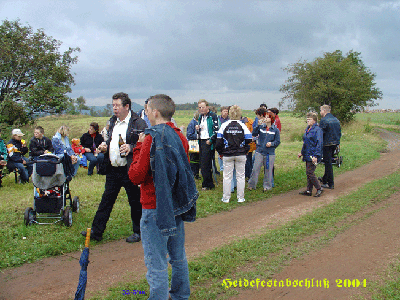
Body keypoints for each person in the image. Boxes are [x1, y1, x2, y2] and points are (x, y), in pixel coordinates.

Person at [128, 94, 198, 300]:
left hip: (154, 206)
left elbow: (135, 175)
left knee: (156, 262)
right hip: (175, 204)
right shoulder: (179, 135)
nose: (146, 113)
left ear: (155, 112)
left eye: (147, 109)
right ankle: (180, 295)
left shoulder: (150, 137)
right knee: (178, 257)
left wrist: (139, 146)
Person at [81, 92, 147, 243]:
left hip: (129, 168)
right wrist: (105, 146)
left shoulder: (138, 123)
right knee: (106, 200)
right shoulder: (112, 121)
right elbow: (110, 140)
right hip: (113, 168)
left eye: (117, 105)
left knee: (135, 201)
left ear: (127, 106)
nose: (114, 108)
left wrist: (131, 147)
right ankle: (96, 232)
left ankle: (139, 232)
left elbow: (144, 143)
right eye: (113, 105)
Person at [216, 105, 252, 203]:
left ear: (229, 113)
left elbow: (218, 142)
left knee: (227, 176)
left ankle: (226, 198)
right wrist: (244, 147)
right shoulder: (243, 125)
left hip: (227, 154)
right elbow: (249, 139)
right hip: (240, 153)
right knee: (240, 176)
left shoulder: (224, 125)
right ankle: (240, 198)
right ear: (239, 114)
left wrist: (221, 152)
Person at [248, 110, 280, 192]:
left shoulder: (275, 130)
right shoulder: (261, 127)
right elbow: (254, 134)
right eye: (265, 117)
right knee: (255, 169)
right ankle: (251, 185)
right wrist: (257, 126)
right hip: (259, 151)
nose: (265, 118)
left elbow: (277, 142)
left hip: (270, 153)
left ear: (271, 119)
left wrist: (271, 144)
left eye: (267, 117)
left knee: (268, 170)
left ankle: (267, 187)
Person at [298, 112, 324, 197]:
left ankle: (319, 188)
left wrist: (316, 156)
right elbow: (305, 142)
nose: (308, 121)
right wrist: (302, 152)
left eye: (309, 119)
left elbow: (319, 143)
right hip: (307, 153)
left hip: (313, 154)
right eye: (307, 119)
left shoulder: (317, 130)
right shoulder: (308, 129)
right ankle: (309, 190)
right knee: (308, 172)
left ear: (314, 120)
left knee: (310, 172)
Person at [196, 99, 219, 190]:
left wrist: (211, 140)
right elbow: (202, 130)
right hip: (201, 140)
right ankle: (208, 182)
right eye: (199, 107)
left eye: (203, 107)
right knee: (202, 163)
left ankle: (207, 184)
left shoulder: (213, 116)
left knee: (206, 163)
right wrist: (197, 128)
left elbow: (217, 130)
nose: (201, 109)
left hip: (208, 141)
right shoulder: (200, 117)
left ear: (207, 107)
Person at [319, 104, 341, 189]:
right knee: (328, 161)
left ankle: (330, 183)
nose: (320, 112)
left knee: (328, 163)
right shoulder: (336, 120)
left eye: (321, 110)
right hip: (334, 143)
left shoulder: (324, 120)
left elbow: (321, 134)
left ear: (324, 111)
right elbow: (339, 132)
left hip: (327, 144)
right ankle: (324, 179)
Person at [186, 112, 200, 179]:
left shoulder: (199, 122)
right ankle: (193, 174)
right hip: (193, 145)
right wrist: (198, 136)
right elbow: (189, 135)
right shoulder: (192, 123)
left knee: (198, 160)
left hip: (199, 144)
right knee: (193, 160)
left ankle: (196, 173)